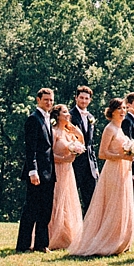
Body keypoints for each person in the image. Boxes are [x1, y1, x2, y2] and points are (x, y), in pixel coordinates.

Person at [68, 98, 134, 256]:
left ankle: (120, 240)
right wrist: (122, 155)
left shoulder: (120, 129)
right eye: (119, 109)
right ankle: (107, 241)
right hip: (113, 170)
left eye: (124, 109)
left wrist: (131, 152)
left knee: (122, 204)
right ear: (112, 111)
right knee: (112, 204)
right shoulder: (110, 129)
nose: (122, 112)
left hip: (124, 170)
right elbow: (102, 153)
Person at [17, 87, 57, 252]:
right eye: (46, 99)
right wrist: (32, 171)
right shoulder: (33, 119)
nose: (49, 103)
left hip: (49, 172)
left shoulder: (47, 119)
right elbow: (30, 149)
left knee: (45, 210)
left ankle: (42, 244)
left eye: (51, 100)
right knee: (31, 209)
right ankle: (23, 245)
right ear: (38, 100)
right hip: (37, 172)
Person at [48, 104, 87, 251]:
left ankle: (67, 236)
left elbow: (82, 146)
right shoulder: (55, 132)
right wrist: (64, 159)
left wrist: (79, 134)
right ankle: (52, 236)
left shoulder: (68, 133)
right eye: (64, 112)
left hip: (68, 171)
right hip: (57, 169)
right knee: (56, 201)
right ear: (57, 116)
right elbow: (49, 155)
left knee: (68, 202)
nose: (68, 115)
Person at [70, 86, 101, 212]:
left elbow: (91, 144)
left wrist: (95, 166)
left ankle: (88, 228)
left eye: (86, 98)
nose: (83, 101)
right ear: (76, 98)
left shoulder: (90, 117)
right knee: (72, 198)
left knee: (92, 199)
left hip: (90, 165)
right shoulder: (70, 116)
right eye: (81, 98)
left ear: (90, 100)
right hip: (74, 163)